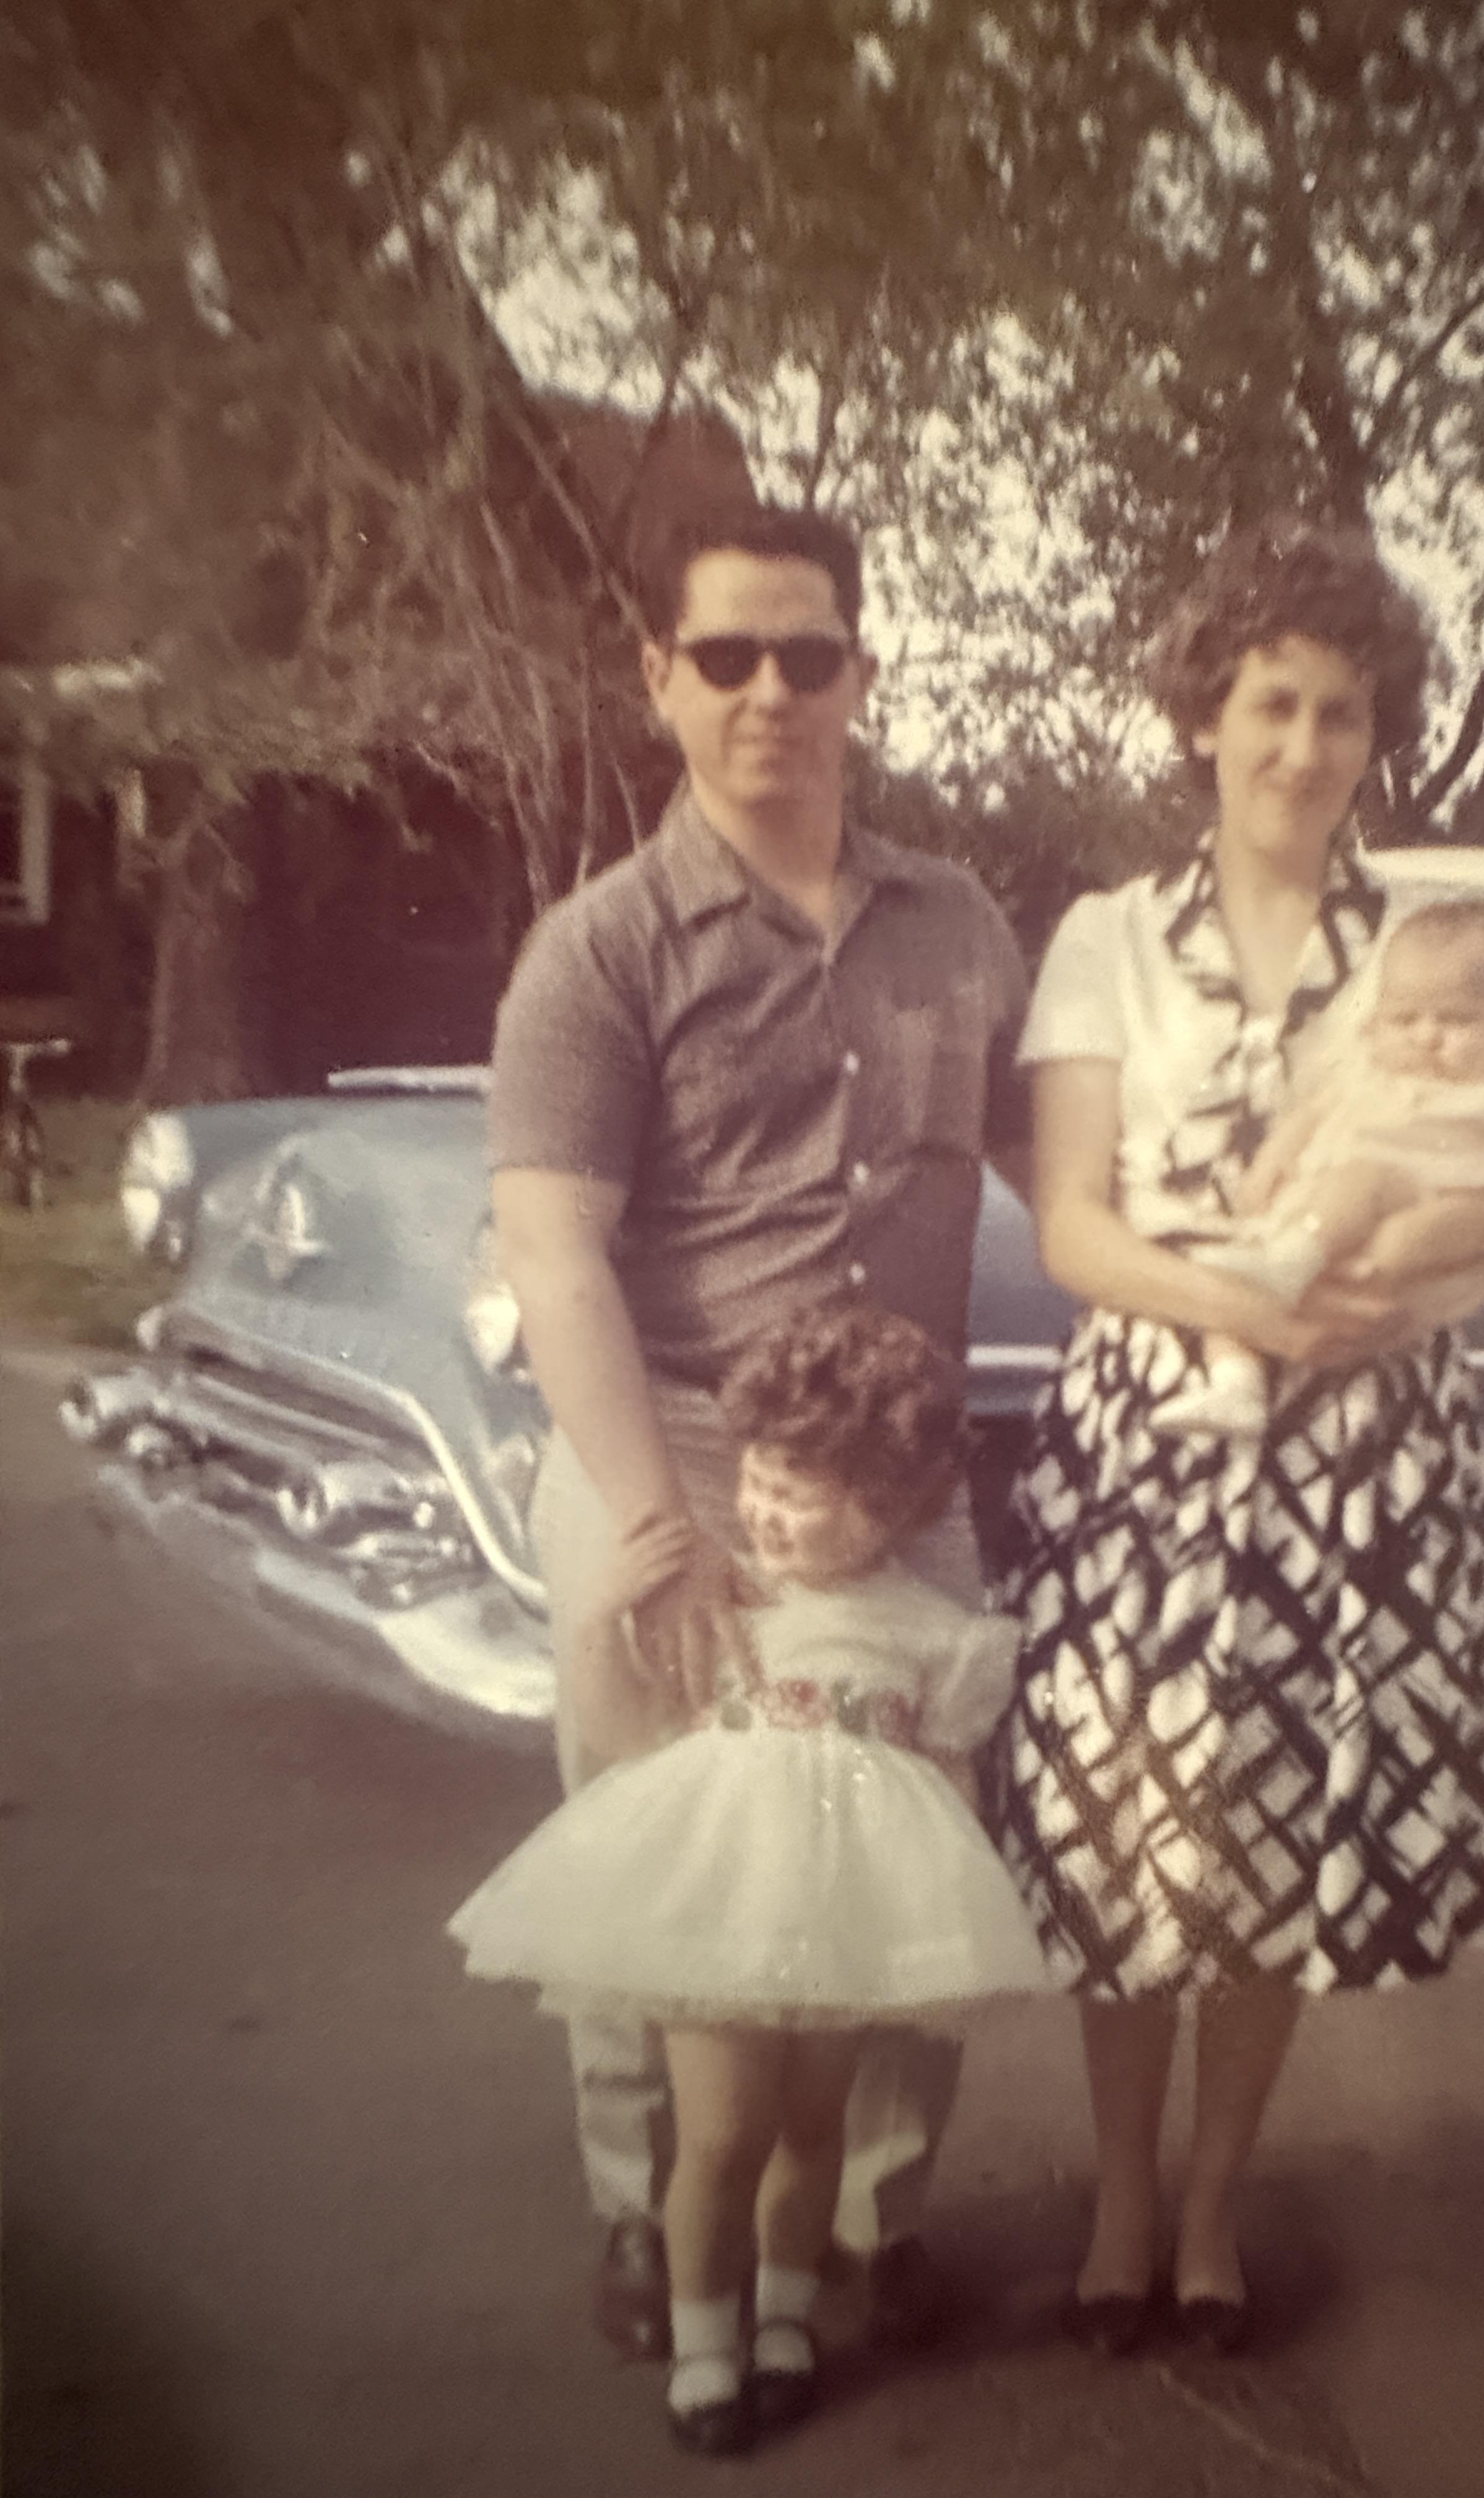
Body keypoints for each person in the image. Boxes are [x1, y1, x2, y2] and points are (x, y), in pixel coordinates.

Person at [982, 511, 1484, 2360]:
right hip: (1156, 1435)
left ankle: (1217, 2205)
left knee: (1272, 1834)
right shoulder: (1104, 943)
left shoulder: (1429, 942)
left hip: (1362, 1450)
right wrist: (1245, 1305)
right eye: (1273, 703)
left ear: (1374, 734)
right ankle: (1122, 2197)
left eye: (1341, 710)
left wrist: (1396, 1269)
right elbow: (1072, 1223)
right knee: (1134, 1833)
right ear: (1205, 717)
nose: (1306, 746)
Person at [486, 496, 1029, 2363]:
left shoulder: (957, 923)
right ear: (661, 679)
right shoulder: (601, 949)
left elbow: (1069, 1156)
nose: (772, 692)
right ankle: (654, 2222)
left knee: (909, 1846)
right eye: (727, 655)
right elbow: (553, 1246)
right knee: (664, 1858)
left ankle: (867, 2220)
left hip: (907, 1479)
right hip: (687, 1453)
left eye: (811, 654)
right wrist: (655, 1521)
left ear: (862, 674)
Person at [450, 1300, 1049, 2455]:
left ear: (881, 1507)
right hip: (720, 1899)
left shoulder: (933, 1628)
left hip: (842, 1914)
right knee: (719, 2133)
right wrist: (595, 1627)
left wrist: (948, 1911)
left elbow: (947, 1778)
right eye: (758, 1480)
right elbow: (632, 1741)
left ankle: (782, 2318)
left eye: (795, 1493)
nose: (760, 1510)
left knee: (814, 2124)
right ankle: (704, 2338)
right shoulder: (726, 1600)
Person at [1156, 893, 1484, 1435]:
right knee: (1232, 1291)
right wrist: (1268, 1169)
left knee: (1363, 1178)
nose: (1427, 1036)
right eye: (1406, 1019)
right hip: (1314, 1218)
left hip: (1408, 1202)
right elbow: (1307, 1119)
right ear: (1378, 1019)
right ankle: (1236, 1384)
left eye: (1456, 1020)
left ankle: (1290, 1262)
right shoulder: (1368, 1068)